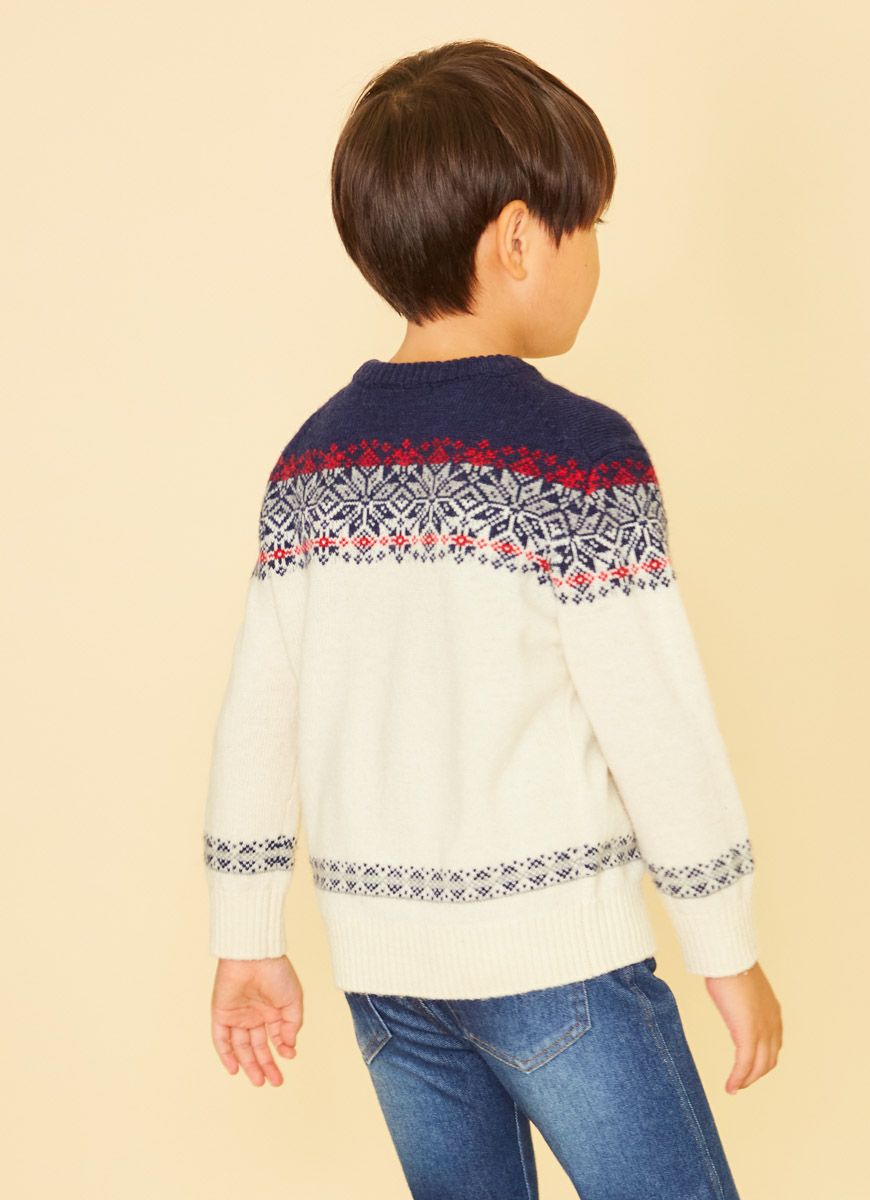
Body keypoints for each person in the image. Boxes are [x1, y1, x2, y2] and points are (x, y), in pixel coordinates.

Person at [202, 37, 783, 1200]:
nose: (597, 254)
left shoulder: (312, 466)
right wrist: (726, 946)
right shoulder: (581, 457)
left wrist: (246, 936)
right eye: (589, 224)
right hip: (560, 965)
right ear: (518, 239)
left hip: (388, 980)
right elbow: (657, 728)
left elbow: (256, 719)